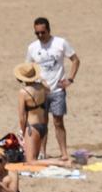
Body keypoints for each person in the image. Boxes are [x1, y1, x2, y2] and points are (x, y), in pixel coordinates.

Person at [27, 18, 79, 162]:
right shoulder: (32, 47)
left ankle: (63, 152)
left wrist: (70, 79)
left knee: (58, 121)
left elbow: (75, 60)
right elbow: (28, 69)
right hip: (40, 92)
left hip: (57, 90)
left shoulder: (60, 43)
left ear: (49, 30)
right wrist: (35, 82)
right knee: (42, 123)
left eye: (43, 32)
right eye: (37, 33)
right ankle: (42, 151)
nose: (40, 36)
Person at [14, 61, 50, 160]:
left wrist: (23, 131)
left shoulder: (23, 92)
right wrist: (41, 79)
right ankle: (59, 161)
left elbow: (22, 116)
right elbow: (49, 89)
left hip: (32, 127)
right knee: (35, 158)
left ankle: (62, 162)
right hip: (43, 125)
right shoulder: (42, 87)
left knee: (31, 161)